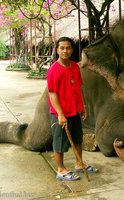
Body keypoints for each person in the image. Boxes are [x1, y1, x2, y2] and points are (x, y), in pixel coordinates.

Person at [47, 36, 98, 181]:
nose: (65, 51)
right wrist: (60, 114)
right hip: (61, 113)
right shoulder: (53, 70)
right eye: (61, 48)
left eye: (68, 48)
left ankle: (79, 164)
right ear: (57, 50)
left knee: (77, 139)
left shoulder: (75, 66)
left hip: (74, 110)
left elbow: (78, 89)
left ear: (72, 49)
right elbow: (52, 94)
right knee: (59, 142)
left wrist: (82, 106)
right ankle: (61, 170)